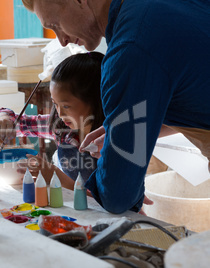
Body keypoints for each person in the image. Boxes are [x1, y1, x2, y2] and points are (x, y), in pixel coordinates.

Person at [21, 0, 210, 213]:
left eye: (55, 24)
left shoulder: (131, 48)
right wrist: (122, 132)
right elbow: (196, 100)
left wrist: (120, 152)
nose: (62, 41)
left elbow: (118, 195)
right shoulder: (148, 10)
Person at [0, 52, 105, 190]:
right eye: (55, 104)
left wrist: (55, 175)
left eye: (66, 106)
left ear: (95, 101)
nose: (60, 113)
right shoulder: (61, 128)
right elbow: (19, 123)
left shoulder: (110, 140)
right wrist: (3, 119)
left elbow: (107, 198)